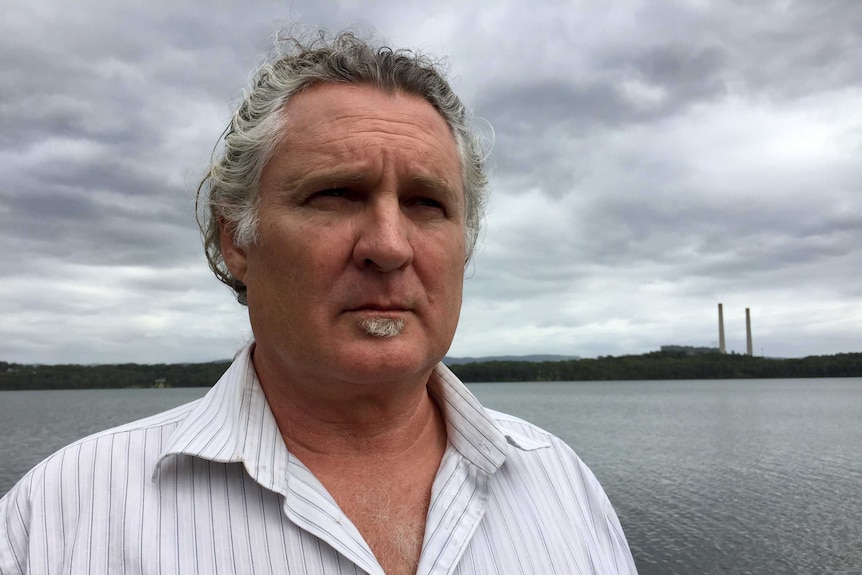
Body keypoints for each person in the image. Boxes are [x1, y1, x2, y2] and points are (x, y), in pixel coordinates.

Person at [0, 31, 637, 574]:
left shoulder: (562, 484)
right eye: (335, 194)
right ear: (236, 239)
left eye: (426, 203)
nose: (388, 246)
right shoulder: (61, 516)